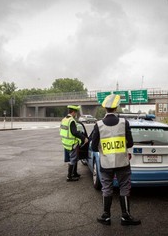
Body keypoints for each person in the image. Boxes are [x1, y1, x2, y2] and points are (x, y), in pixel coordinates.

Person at [91, 94, 141, 226]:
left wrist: (104, 149)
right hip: (122, 163)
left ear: (105, 109)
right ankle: (125, 217)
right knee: (124, 187)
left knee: (107, 188)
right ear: (116, 107)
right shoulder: (124, 123)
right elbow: (130, 144)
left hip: (106, 163)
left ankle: (106, 216)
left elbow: (93, 146)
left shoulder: (98, 125)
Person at [60, 105, 88, 182]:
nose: (76, 114)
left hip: (66, 143)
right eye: (76, 112)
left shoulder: (64, 119)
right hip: (72, 143)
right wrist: (84, 138)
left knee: (74, 158)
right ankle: (69, 177)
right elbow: (74, 132)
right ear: (73, 112)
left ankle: (74, 173)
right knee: (73, 159)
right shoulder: (71, 120)